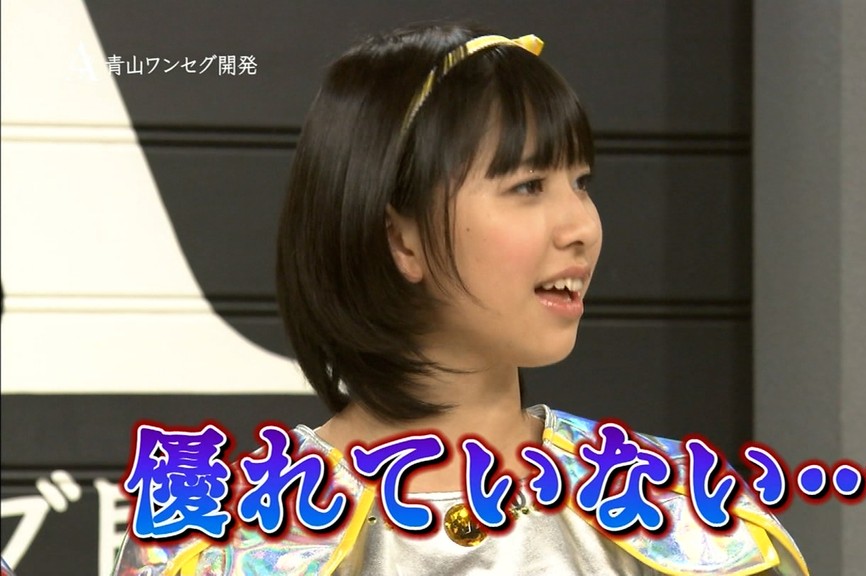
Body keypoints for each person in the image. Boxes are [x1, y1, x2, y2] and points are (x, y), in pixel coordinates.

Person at [113, 22, 808, 575]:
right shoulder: (217, 542)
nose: (581, 227)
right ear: (401, 237)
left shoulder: (681, 510)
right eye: (528, 186)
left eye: (581, 182)